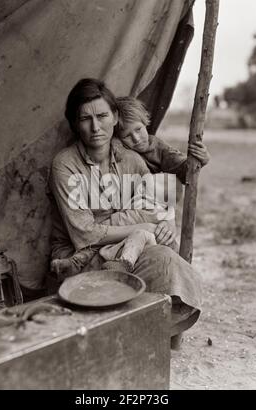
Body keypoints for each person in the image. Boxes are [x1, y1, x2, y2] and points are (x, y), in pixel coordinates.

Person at [49, 78, 202, 345]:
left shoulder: (131, 158)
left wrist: (168, 223)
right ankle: (120, 333)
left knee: (167, 258)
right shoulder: (65, 165)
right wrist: (142, 228)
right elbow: (84, 233)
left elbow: (158, 199)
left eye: (102, 116)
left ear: (115, 117)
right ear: (75, 124)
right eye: (85, 119)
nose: (95, 127)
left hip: (125, 251)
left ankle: (142, 333)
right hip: (80, 256)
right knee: (148, 260)